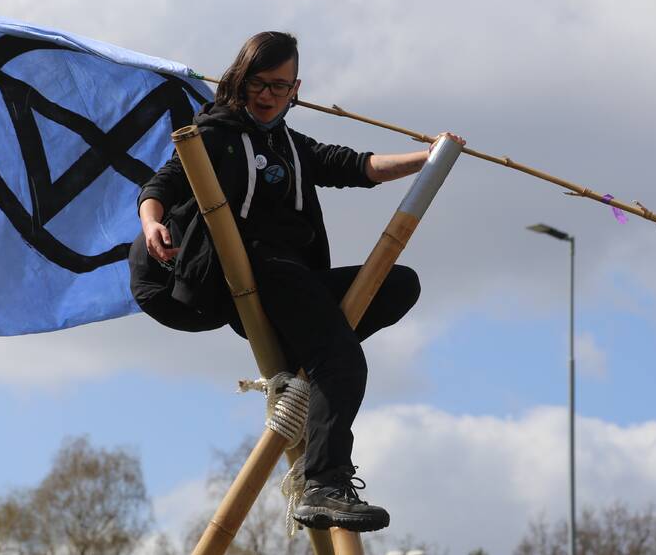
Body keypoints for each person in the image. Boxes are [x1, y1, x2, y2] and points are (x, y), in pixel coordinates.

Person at [133, 31, 464, 532]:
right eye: (258, 84)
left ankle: (304, 362)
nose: (267, 95)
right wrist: (152, 222)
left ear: (296, 89)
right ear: (240, 81)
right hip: (250, 274)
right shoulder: (215, 133)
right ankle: (324, 483)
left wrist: (431, 156)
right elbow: (162, 183)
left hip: (294, 278)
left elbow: (358, 167)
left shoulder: (291, 145)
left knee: (399, 285)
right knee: (340, 358)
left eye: (280, 86)